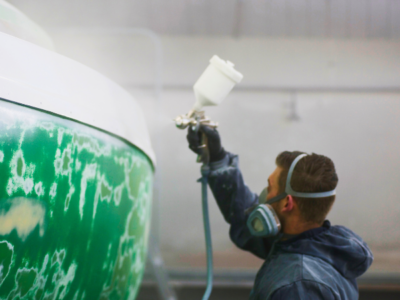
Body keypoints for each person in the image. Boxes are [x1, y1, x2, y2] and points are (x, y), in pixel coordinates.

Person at [186, 125, 373, 300]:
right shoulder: (318, 247)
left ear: (286, 203)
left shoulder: (298, 286)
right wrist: (218, 159)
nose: (264, 194)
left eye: (270, 186)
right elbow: (245, 218)